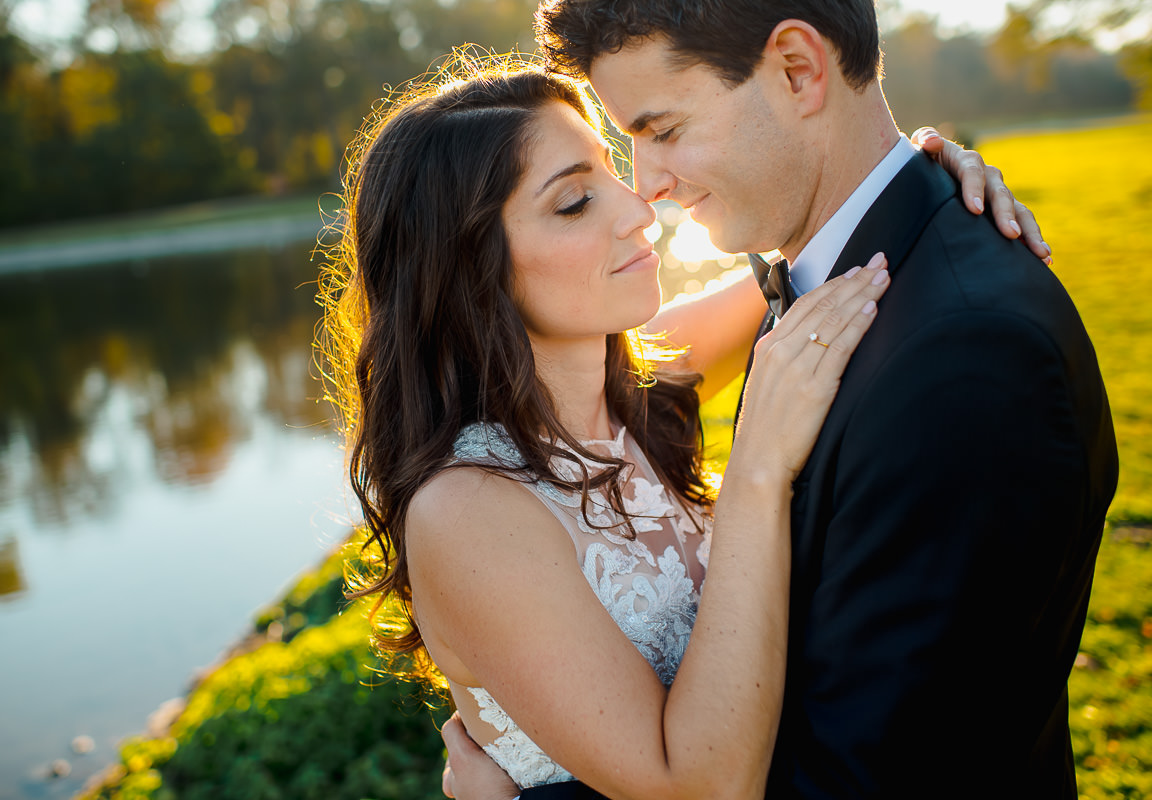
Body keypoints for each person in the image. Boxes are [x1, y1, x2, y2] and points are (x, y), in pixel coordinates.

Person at [440, 3, 1121, 799]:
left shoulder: (966, 360)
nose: (645, 192)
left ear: (799, 70)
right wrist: (921, 170)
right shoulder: (824, 288)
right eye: (582, 191)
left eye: (661, 129)